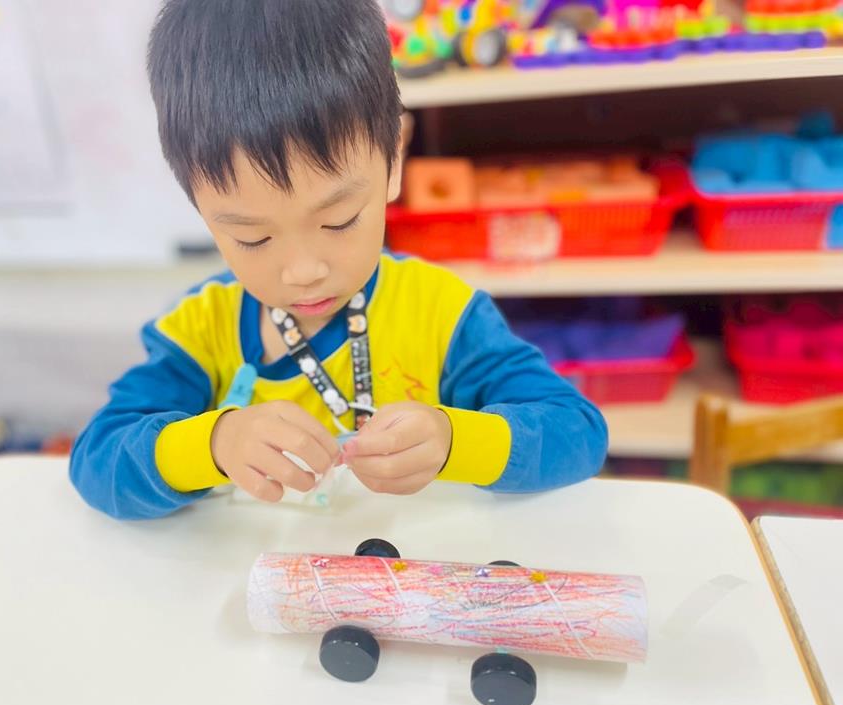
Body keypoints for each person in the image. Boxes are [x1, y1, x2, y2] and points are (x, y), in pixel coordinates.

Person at [70, 0, 607, 519]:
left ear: (394, 157)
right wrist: (214, 443)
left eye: (339, 220)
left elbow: (576, 432)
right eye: (253, 238)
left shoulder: (442, 315)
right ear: (199, 206)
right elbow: (98, 459)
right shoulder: (200, 331)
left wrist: (454, 441)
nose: (304, 271)